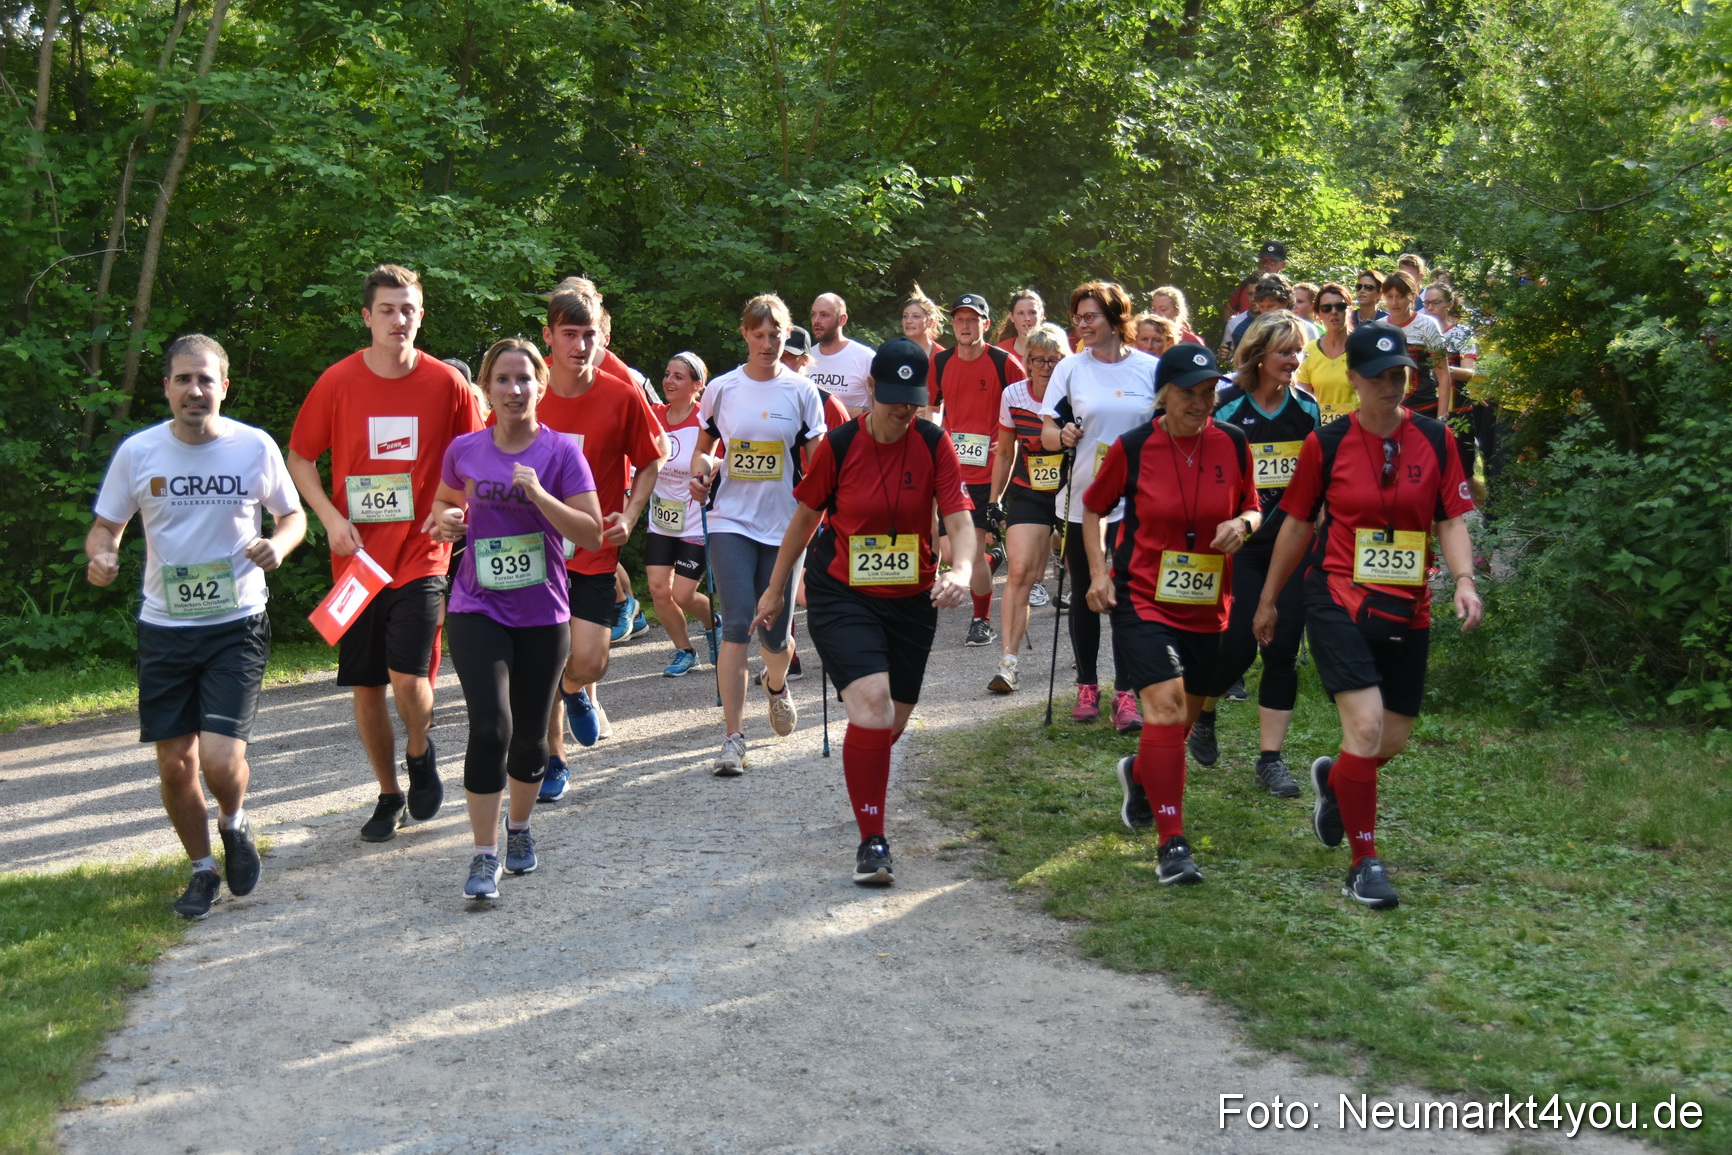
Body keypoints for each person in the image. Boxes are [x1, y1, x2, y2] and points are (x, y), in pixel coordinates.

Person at [1252, 320, 1482, 909]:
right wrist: (1270, 597)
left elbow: (1450, 519)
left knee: (1391, 739)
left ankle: (1337, 779)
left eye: (1400, 373)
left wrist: (1463, 580)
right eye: (1379, 376)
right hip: (1338, 598)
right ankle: (1364, 863)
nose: (1392, 384)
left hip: (1409, 606)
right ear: (1352, 378)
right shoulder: (1325, 445)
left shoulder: (1436, 439)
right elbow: (1298, 523)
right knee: (1366, 726)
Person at [87, 334, 307, 918]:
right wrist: (103, 555)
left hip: (236, 621)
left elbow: (292, 515)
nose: (195, 390)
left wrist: (278, 547)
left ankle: (234, 823)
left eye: (206, 379)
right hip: (164, 627)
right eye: (183, 379)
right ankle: (202, 868)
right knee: (174, 763)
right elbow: (106, 525)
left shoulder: (253, 447)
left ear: (223, 387)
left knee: (217, 759)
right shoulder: (139, 453)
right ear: (166, 387)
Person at [751, 337, 974, 885]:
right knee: (871, 705)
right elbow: (803, 523)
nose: (903, 409)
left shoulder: (933, 442)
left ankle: (864, 783)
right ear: (870, 388)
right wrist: (777, 589)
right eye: (893, 397)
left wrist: (962, 570)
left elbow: (959, 518)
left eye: (913, 399)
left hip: (912, 600)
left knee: (888, 721)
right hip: (843, 593)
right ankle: (872, 840)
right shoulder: (841, 445)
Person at [287, 264, 483, 842]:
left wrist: (458, 514)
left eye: (409, 309)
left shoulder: (446, 384)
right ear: (367, 317)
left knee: (407, 674)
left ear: (421, 316)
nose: (400, 319)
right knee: (367, 684)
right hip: (356, 561)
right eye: (388, 309)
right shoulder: (338, 381)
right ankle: (388, 792)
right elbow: (300, 457)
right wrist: (330, 519)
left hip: (422, 554)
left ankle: (420, 752)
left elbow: (474, 458)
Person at [428, 337, 603, 899]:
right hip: (476, 605)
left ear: (539, 385)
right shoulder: (464, 450)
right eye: (502, 379)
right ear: (486, 388)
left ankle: (520, 829)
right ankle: (483, 855)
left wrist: (540, 496)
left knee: (529, 737)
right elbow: (441, 507)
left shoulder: (560, 454)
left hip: (542, 612)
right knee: (490, 727)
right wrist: (449, 521)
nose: (513, 389)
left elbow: (590, 532)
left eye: (523, 379)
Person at [1083, 342, 1262, 885]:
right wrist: (1097, 573)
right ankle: (1172, 842)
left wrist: (1246, 525)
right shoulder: (1133, 447)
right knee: (1164, 706)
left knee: (1184, 718)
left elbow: (1254, 503)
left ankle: (1140, 774)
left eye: (1209, 393)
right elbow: (1091, 508)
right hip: (1142, 596)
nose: (1201, 403)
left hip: (1208, 601)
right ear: (1164, 394)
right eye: (1189, 393)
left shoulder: (1233, 443)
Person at [533, 280, 667, 804]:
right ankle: (553, 757)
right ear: (549, 335)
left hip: (594, 550)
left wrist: (631, 512)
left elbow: (653, 457)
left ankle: (574, 692)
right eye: (569, 334)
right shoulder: (529, 389)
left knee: (590, 662)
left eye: (589, 334)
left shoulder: (620, 393)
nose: (581, 346)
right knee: (544, 656)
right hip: (536, 550)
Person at [689, 293, 828, 774]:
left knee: (774, 634)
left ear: (786, 336)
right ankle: (733, 738)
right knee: (736, 623)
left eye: (776, 335)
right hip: (730, 519)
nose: (768, 343)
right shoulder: (723, 389)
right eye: (759, 334)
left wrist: (823, 501)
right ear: (745, 333)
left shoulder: (801, 392)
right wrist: (701, 470)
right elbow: (706, 445)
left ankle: (776, 684)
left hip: (783, 526)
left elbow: (817, 462)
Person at [1189, 313, 1320, 796]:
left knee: (1282, 650)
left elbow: (1315, 485)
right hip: (1240, 547)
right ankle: (1204, 711)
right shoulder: (1225, 408)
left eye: (1299, 351)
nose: (1294, 360)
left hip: (1292, 546)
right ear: (1260, 353)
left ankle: (1271, 760)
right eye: (1286, 351)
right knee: (1239, 647)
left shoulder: (1307, 410)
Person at [1038, 281, 1161, 732]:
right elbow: (1046, 432)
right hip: (1083, 499)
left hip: (1139, 502)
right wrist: (1062, 436)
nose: (1082, 324)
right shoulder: (1071, 368)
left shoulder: (1150, 368)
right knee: (1087, 593)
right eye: (1077, 317)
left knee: (1128, 596)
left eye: (1090, 316)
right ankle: (1087, 686)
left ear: (1115, 318)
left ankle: (1126, 695)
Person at [933, 292, 1025, 648]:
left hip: (990, 473)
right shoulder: (940, 363)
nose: (966, 326)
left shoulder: (1004, 363)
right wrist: (937, 438)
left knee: (967, 553)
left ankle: (981, 618)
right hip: (952, 473)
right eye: (960, 319)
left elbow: (1025, 409)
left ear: (986, 324)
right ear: (952, 324)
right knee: (951, 552)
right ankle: (990, 558)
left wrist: (1008, 439)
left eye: (973, 320)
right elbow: (929, 410)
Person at [988, 322, 1071, 692]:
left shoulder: (1075, 395)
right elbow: (1006, 451)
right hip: (1028, 491)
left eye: (1053, 360)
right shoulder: (1013, 394)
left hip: (1071, 492)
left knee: (1081, 575)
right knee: (1019, 571)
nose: (1045, 367)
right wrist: (994, 500)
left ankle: (1086, 659)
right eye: (1037, 360)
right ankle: (1008, 662)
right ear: (1027, 361)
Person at [646, 352, 718, 678]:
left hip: (695, 519)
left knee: (683, 594)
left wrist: (707, 471)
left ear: (696, 385)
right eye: (667, 374)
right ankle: (684, 651)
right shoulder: (655, 417)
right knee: (659, 590)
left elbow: (728, 458)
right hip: (661, 519)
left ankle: (712, 621)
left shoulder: (707, 418)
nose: (669, 381)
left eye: (678, 376)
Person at [1422, 281, 1489, 506]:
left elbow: (1470, 372)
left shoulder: (1462, 332)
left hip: (1458, 410)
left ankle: (1491, 519)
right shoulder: (1418, 330)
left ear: (1449, 304)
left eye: (1435, 302)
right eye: (1426, 303)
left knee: (1465, 472)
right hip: (1426, 408)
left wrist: (1443, 369)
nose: (1429, 307)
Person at [1379, 272, 1454, 437]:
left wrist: (1441, 418)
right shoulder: (1378, 328)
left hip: (1423, 410)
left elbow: (1443, 373)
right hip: (1389, 412)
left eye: (1400, 296)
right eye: (1389, 296)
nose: (1394, 302)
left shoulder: (1427, 324)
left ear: (1413, 296)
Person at [807, 293, 874, 417]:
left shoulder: (865, 358)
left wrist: (842, 411)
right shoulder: (805, 358)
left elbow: (884, 409)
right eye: (813, 315)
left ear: (842, 319)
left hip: (852, 434)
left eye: (824, 315)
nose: (816, 320)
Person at [1298, 282, 1356, 420]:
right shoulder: (1308, 351)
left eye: (1340, 306)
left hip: (1357, 429)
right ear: (1318, 314)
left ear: (1350, 308)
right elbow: (1302, 396)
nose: (1334, 312)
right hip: (1321, 431)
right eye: (1326, 308)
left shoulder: (1363, 347)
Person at [1229, 240, 1288, 315]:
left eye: (1272, 261)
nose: (1265, 265)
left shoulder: (1287, 290)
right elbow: (1229, 309)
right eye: (1263, 260)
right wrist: (1232, 324)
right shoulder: (1247, 284)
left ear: (1283, 265)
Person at [994, 289, 1046, 361]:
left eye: (1032, 312)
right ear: (1012, 317)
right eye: (1021, 313)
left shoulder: (1055, 349)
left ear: (1042, 315)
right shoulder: (1000, 352)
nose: (1027, 318)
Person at [902, 284, 946, 359]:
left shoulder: (942, 357)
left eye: (916, 316)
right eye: (905, 316)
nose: (908, 321)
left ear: (930, 322)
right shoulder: (893, 353)